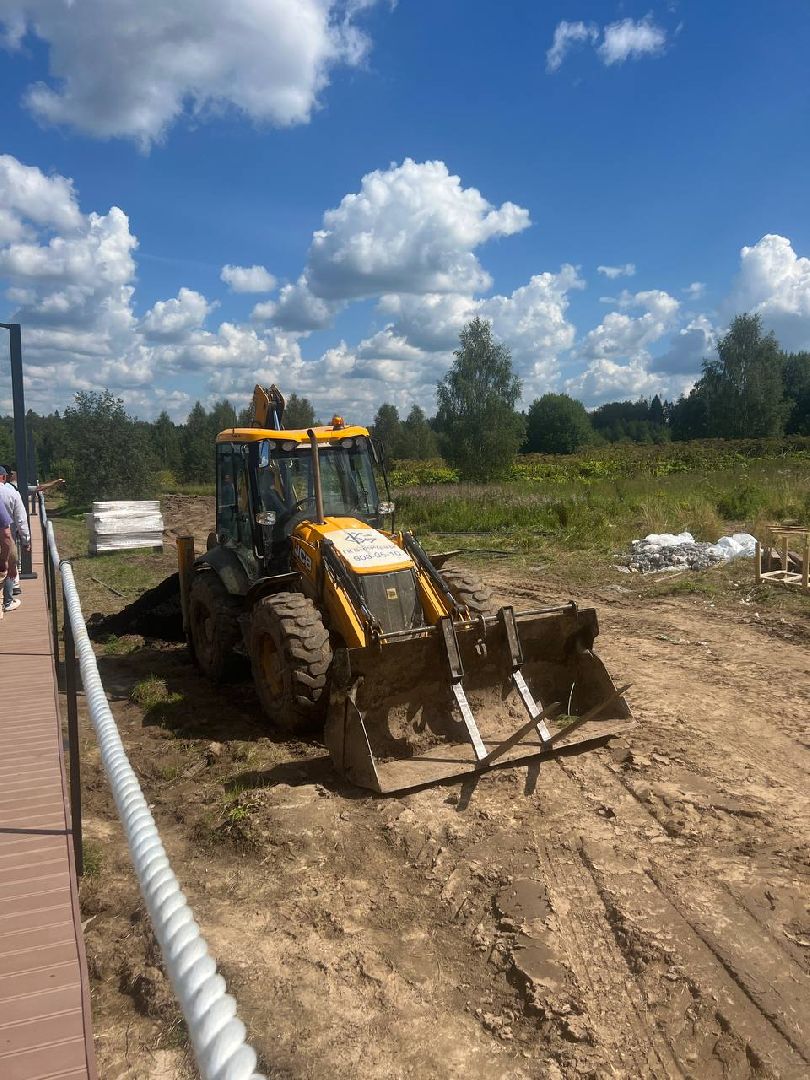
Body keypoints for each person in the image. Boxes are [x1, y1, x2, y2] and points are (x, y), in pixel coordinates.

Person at [0, 466, 30, 613]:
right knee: (9, 568)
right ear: (4, 477)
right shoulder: (12, 493)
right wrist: (26, 541)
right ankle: (7, 600)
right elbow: (21, 520)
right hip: (7, 537)